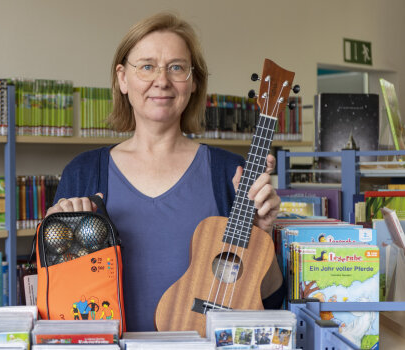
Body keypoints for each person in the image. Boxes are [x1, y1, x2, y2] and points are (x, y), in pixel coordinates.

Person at [47, 13, 284, 331]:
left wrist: (263, 234)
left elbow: (268, 301)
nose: (162, 80)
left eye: (177, 67)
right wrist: (59, 233)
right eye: (146, 66)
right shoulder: (82, 172)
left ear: (194, 81)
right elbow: (60, 295)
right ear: (122, 78)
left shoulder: (231, 173)